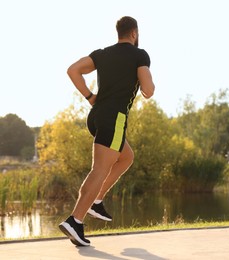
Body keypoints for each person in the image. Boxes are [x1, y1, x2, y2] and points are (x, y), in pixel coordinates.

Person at [59, 16, 155, 247]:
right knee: (100, 169)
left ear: (118, 32)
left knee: (126, 157)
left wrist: (90, 96)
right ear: (134, 33)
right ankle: (75, 220)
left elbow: (73, 70)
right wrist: (145, 82)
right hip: (115, 119)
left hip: (96, 116)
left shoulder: (102, 54)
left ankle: (97, 200)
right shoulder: (139, 55)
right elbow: (148, 91)